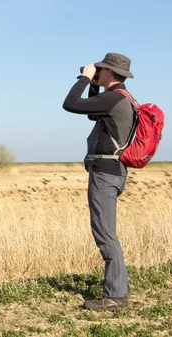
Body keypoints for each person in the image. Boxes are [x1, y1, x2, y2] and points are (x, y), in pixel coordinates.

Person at [62, 52, 137, 311]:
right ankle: (114, 282)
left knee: (105, 233)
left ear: (110, 73)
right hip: (113, 171)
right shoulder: (119, 98)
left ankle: (116, 296)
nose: (98, 71)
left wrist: (84, 79)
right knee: (107, 231)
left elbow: (71, 103)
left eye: (101, 70)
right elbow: (93, 114)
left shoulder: (115, 98)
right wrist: (94, 85)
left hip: (105, 174)